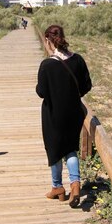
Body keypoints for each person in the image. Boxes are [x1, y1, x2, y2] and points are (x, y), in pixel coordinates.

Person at [36, 25, 92, 208]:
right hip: (74, 112)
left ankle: (57, 187)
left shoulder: (47, 65)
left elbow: (41, 92)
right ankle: (75, 184)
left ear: (47, 40)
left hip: (53, 114)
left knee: (54, 150)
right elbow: (86, 86)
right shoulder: (78, 60)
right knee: (70, 148)